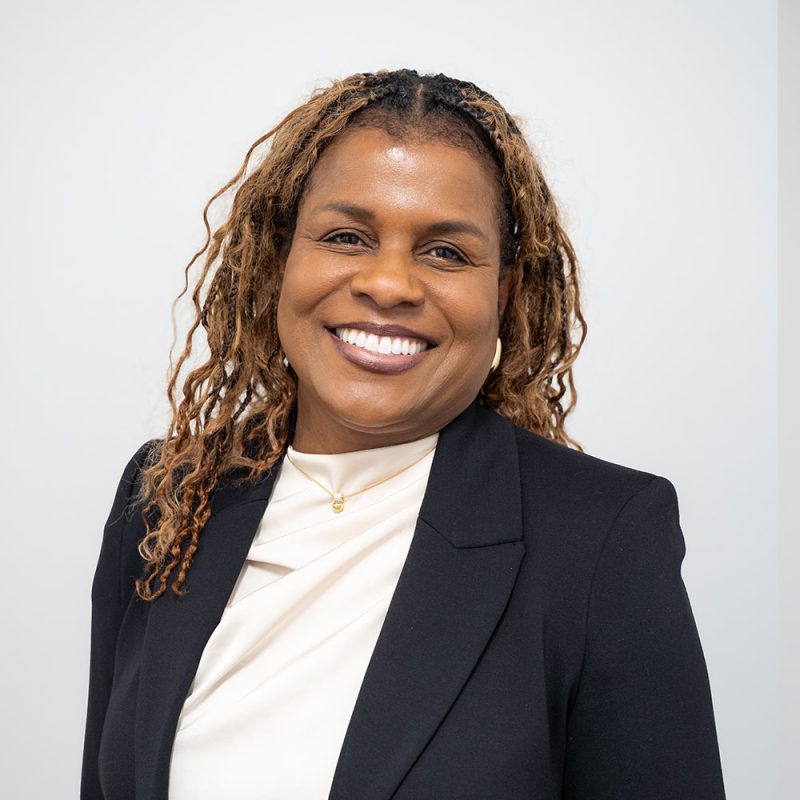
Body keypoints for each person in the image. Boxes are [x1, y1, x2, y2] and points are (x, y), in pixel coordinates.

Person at [81, 68, 727, 799]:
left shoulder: (600, 539)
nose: (389, 284)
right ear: (280, 256)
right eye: (348, 236)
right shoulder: (170, 495)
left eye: (445, 252)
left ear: (503, 291)